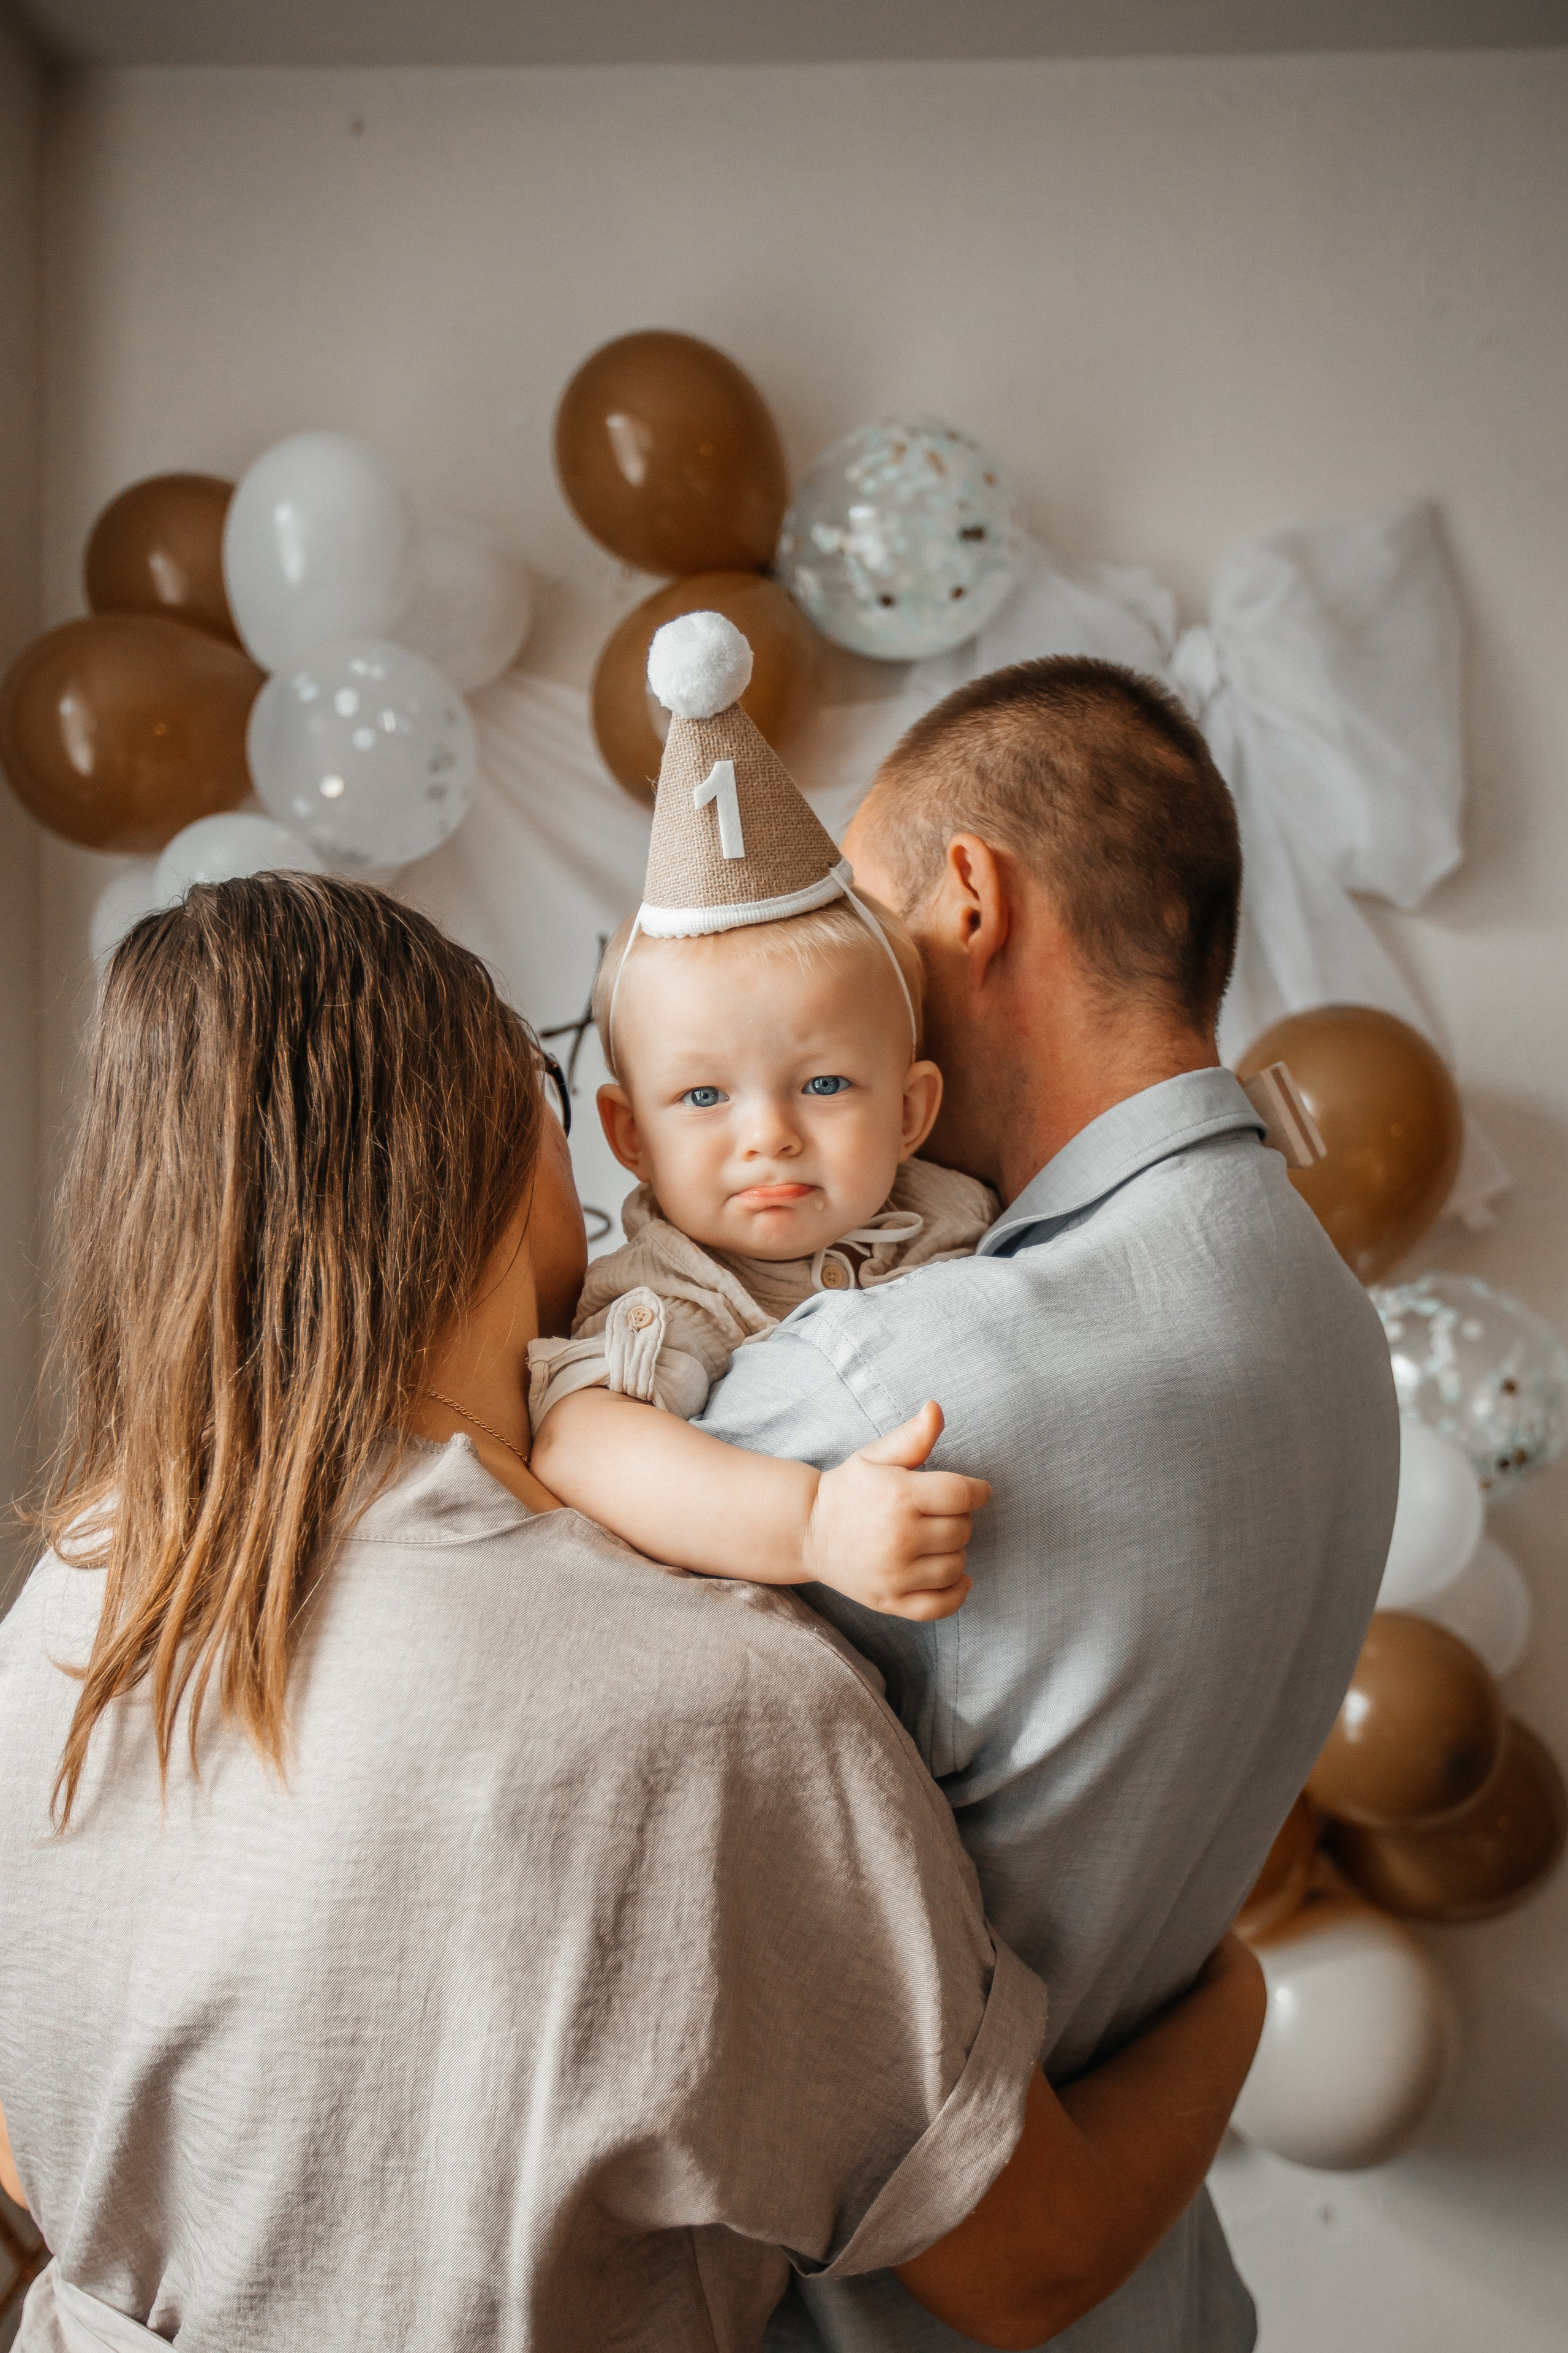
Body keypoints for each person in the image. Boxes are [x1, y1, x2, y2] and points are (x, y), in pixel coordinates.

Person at [0, 877, 1265, 2353]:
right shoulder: (710, 1704)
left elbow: (33, 2149)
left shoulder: (71, 1595)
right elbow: (1030, 2263)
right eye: (552, 1086)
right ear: (490, 1139)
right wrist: (1226, 1982)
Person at [690, 657, 1403, 2352]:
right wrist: (1229, 2002)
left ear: (969, 900)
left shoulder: (902, 1387)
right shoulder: (1335, 1327)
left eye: (861, 919)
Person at [530, 608, 998, 1623]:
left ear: (914, 1109)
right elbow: (581, 1439)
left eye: (825, 1085)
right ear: (631, 1141)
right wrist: (813, 1524)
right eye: (704, 1097)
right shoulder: (675, 1291)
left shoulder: (963, 1209)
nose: (770, 1135)